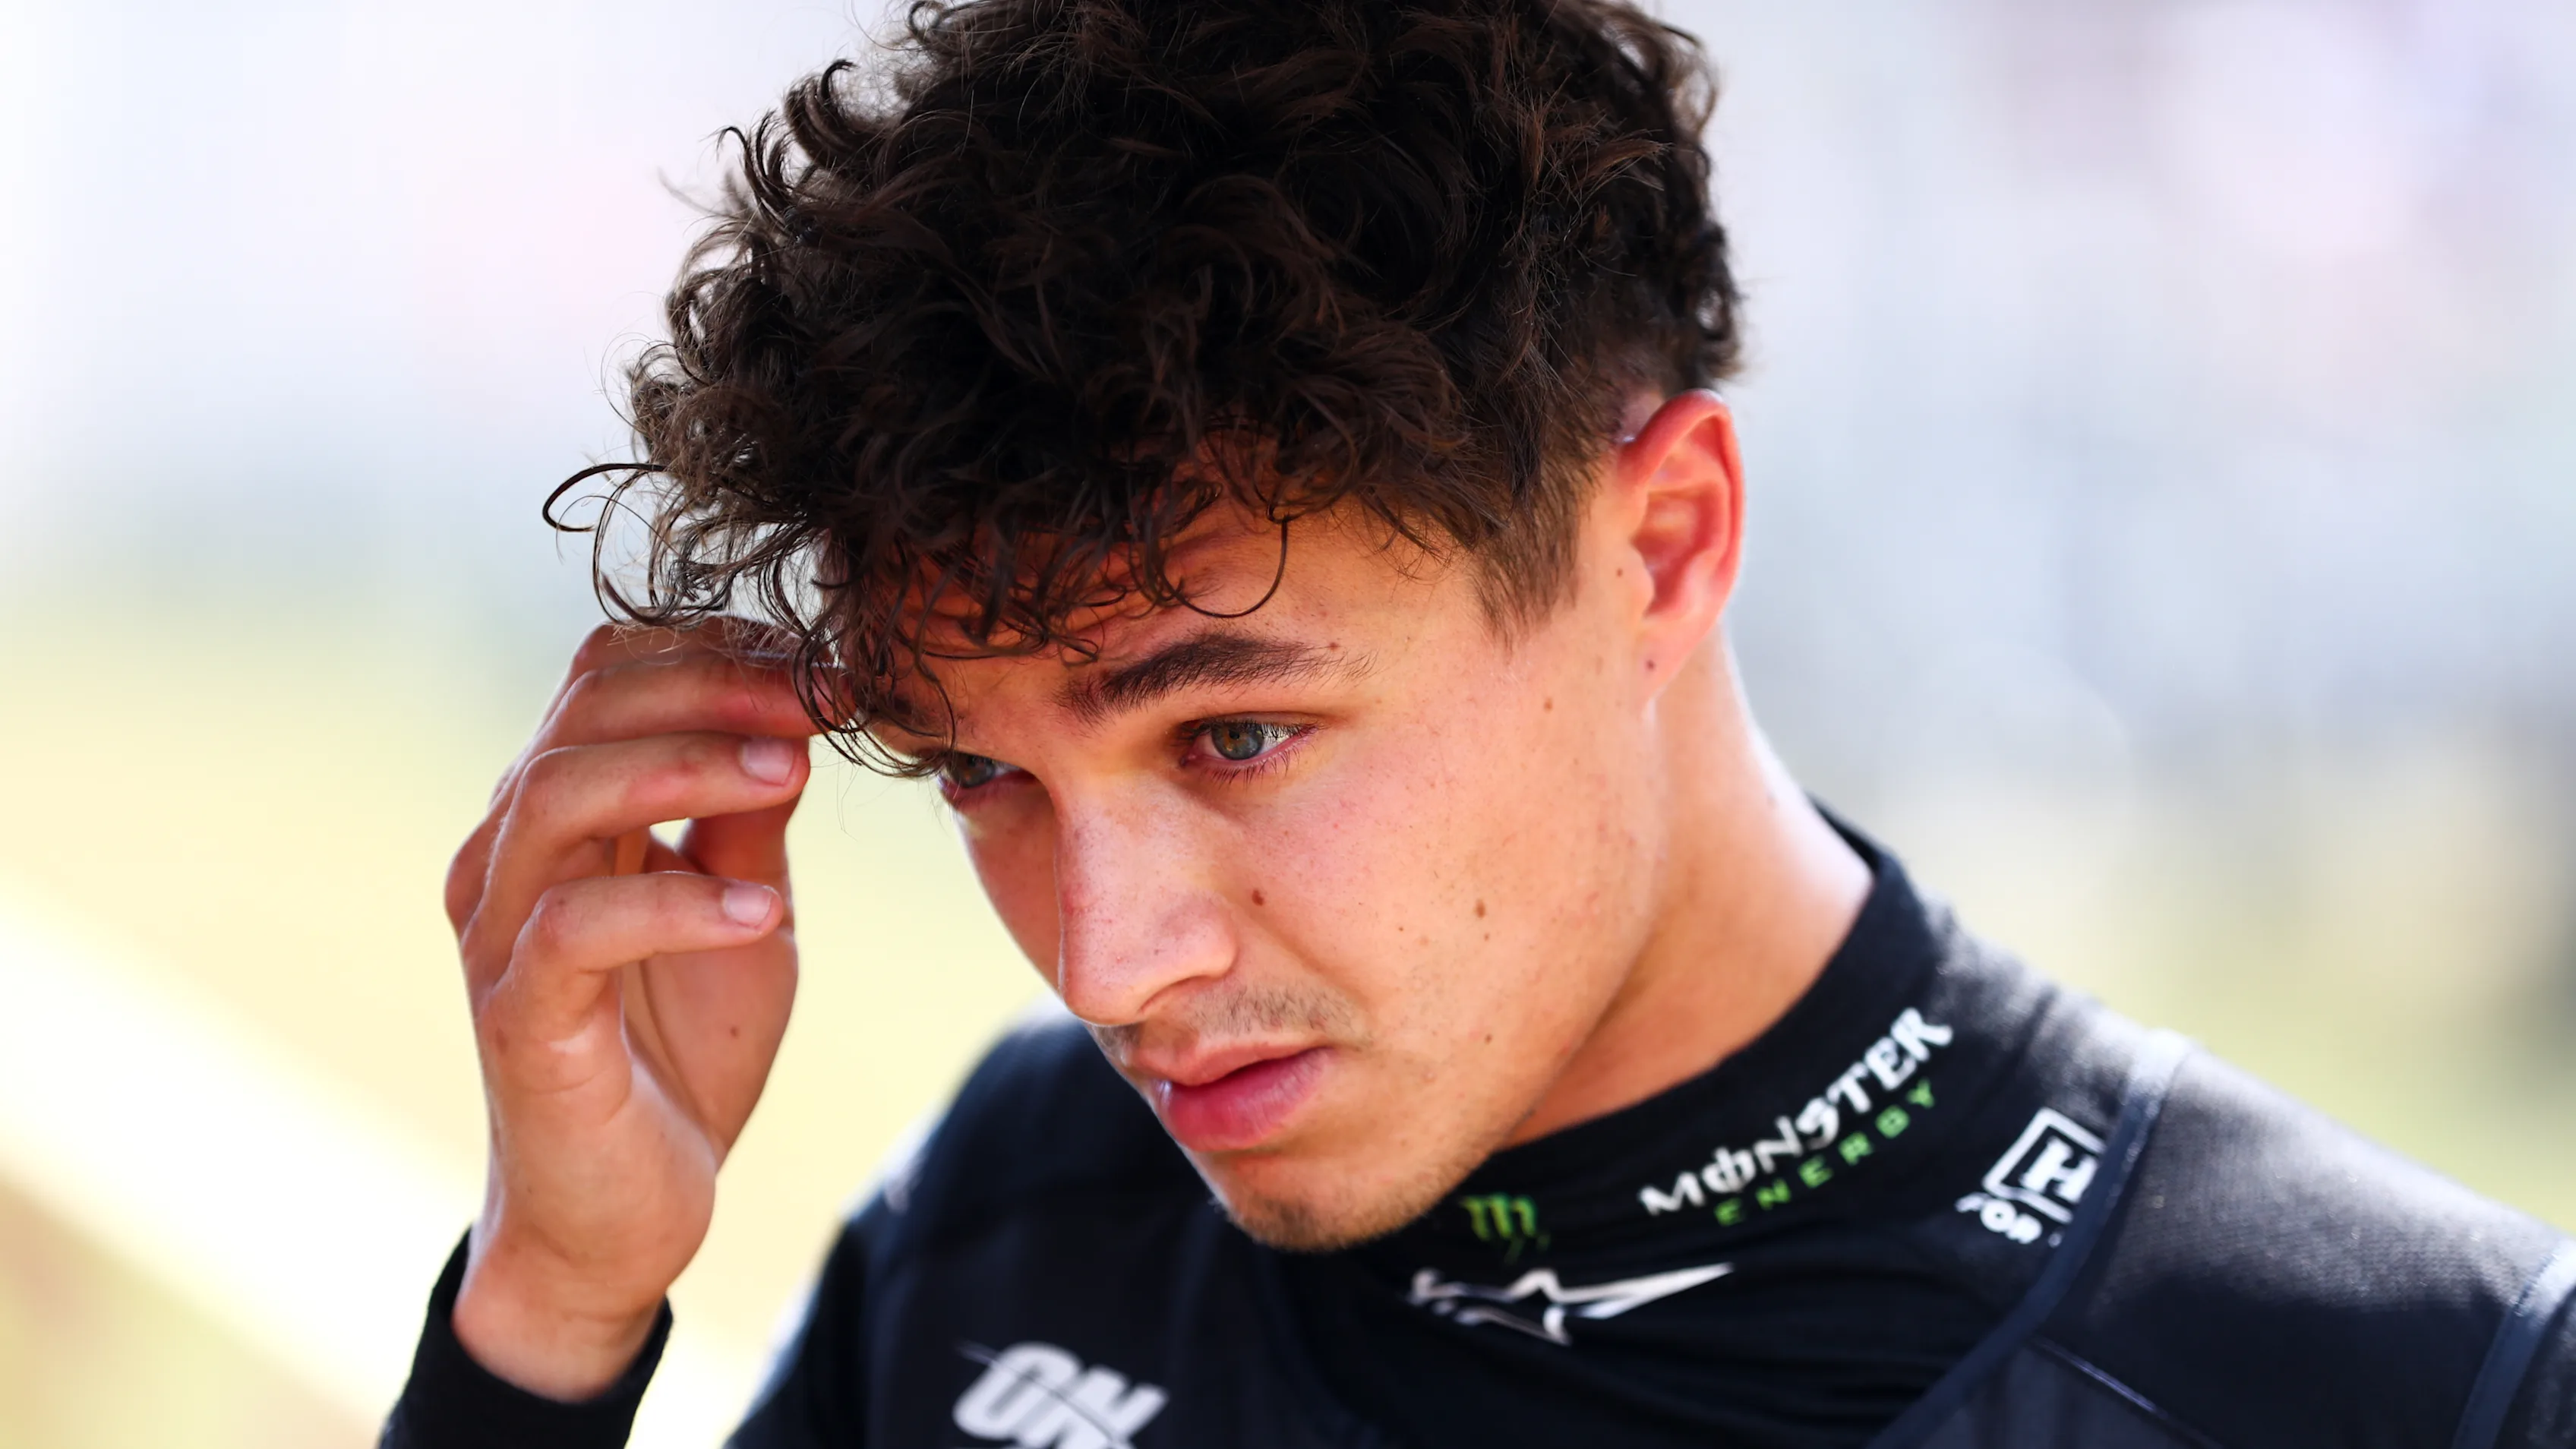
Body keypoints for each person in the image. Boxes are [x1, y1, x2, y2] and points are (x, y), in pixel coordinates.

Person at [382, 2, 2576, 1445]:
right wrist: (549, 1321)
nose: (1112, 961)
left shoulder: (2412, 1381)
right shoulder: (1018, 1213)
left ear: (1665, 545)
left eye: (1232, 731)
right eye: (984, 772)